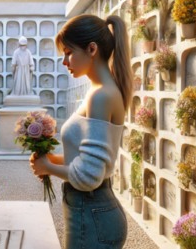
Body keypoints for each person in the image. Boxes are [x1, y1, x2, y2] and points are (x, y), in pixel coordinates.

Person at [30, 14, 132, 249]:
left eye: (68, 52)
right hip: (95, 213)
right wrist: (50, 159)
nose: (64, 62)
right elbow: (87, 159)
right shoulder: (98, 91)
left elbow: (89, 176)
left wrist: (49, 168)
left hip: (91, 214)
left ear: (92, 49)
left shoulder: (101, 95)